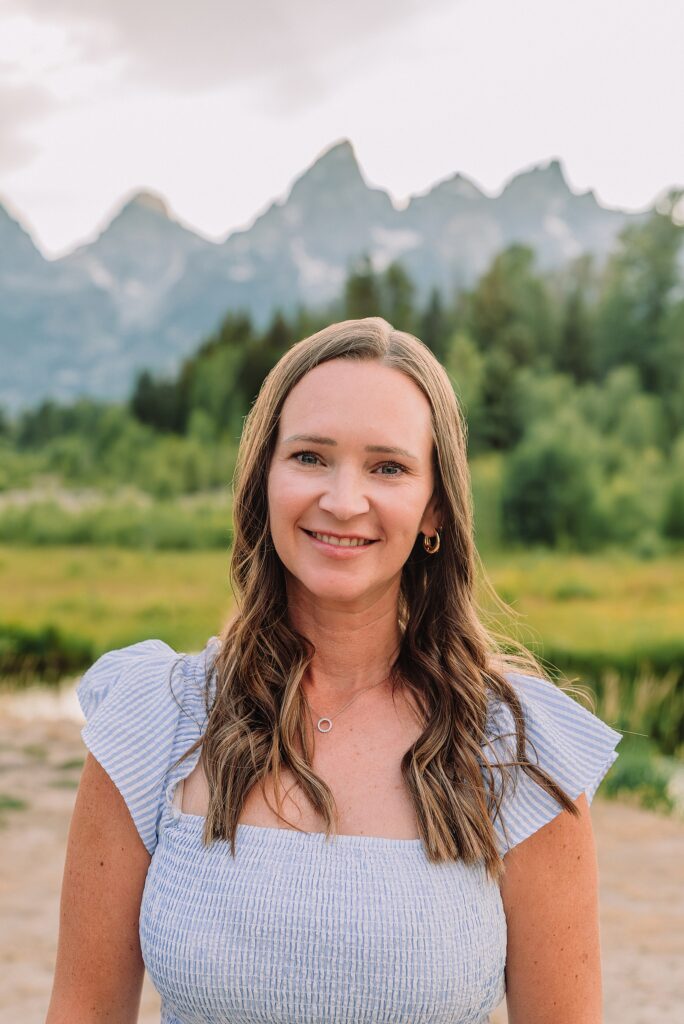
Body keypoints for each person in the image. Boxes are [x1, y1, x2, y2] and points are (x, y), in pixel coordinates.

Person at [47, 317, 622, 1024]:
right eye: (311, 457)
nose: (343, 500)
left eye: (388, 467)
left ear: (434, 504)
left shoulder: (518, 751)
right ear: (264, 478)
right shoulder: (152, 721)